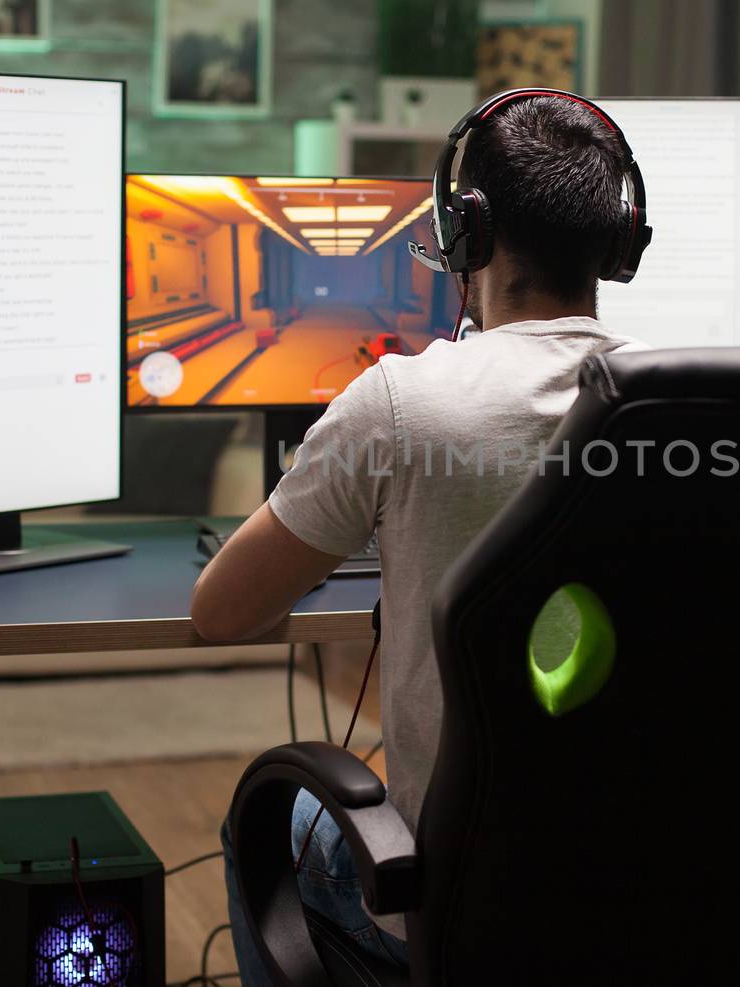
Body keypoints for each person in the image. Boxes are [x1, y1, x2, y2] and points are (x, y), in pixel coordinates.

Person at [191, 92, 647, 983]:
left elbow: (223, 610)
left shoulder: (402, 403)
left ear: (464, 232)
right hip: (641, 888)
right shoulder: (685, 408)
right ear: (620, 239)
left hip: (460, 900)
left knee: (275, 829)